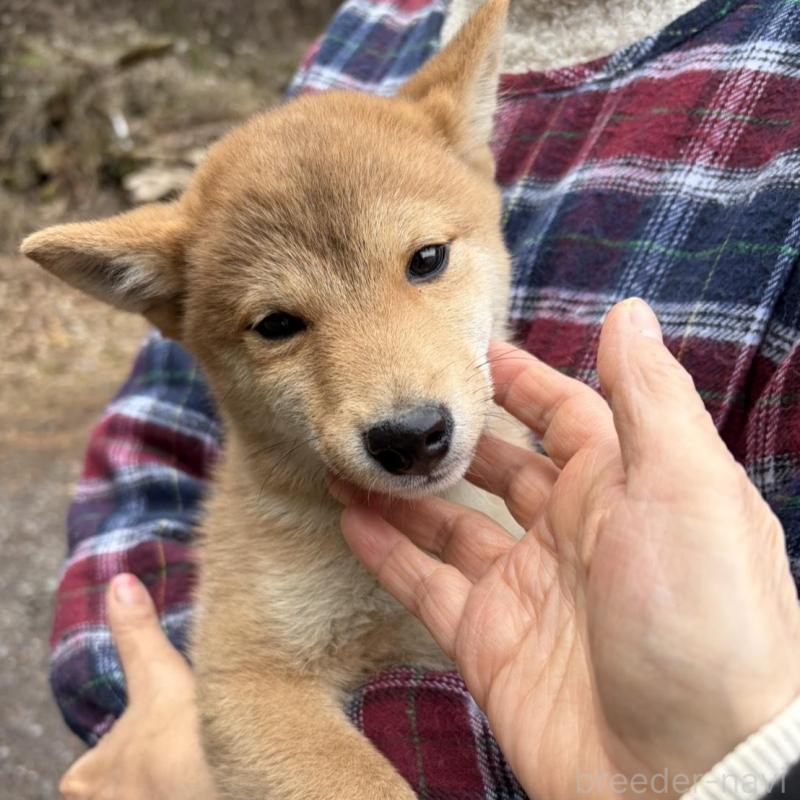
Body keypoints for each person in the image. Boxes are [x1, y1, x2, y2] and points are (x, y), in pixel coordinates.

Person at [51, 0, 800, 798]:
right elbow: (158, 499)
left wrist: (736, 757)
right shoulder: (365, 28)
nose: (396, 401)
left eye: (427, 260)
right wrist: (155, 716)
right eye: (280, 323)